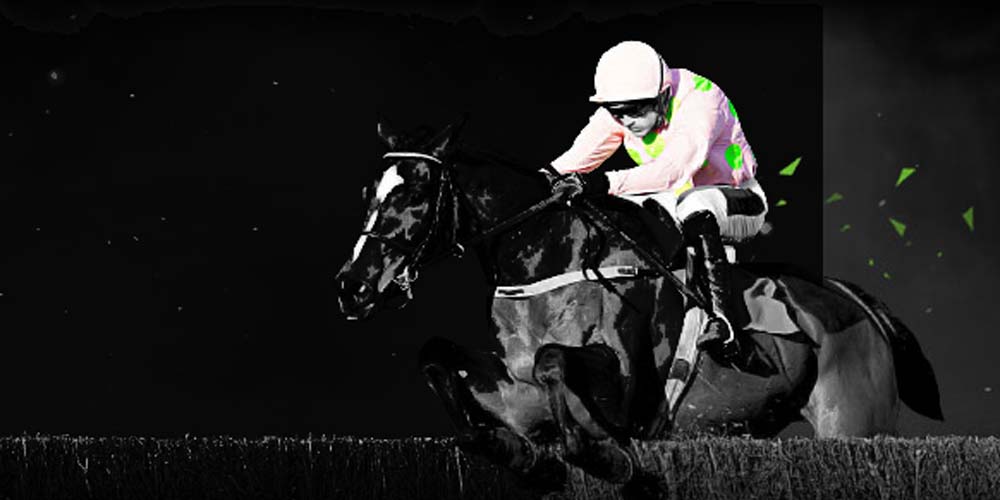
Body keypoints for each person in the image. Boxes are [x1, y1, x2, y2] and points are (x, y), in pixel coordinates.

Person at [547, 40, 768, 362]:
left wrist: (601, 182)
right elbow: (569, 164)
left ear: (663, 95)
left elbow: (675, 170)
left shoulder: (701, 99)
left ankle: (723, 322)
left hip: (738, 200)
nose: (626, 121)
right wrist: (537, 183)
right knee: (614, 211)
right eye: (616, 112)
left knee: (694, 204)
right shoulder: (622, 110)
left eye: (636, 110)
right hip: (674, 199)